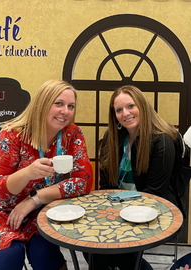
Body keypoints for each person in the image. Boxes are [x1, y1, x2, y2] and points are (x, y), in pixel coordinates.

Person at [0, 79, 93, 270]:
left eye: (70, 106)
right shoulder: (11, 135)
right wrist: (27, 173)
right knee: (10, 254)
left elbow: (83, 182)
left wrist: (35, 199)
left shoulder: (72, 134)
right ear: (42, 104)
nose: (65, 111)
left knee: (44, 253)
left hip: (39, 210)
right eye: (58, 103)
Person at [84, 85, 179, 270]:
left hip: (146, 212)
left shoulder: (162, 141)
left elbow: (154, 195)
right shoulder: (112, 137)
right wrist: (105, 216)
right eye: (118, 110)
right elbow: (105, 186)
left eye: (130, 106)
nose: (125, 113)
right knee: (91, 246)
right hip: (114, 210)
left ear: (142, 106)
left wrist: (118, 219)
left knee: (111, 254)